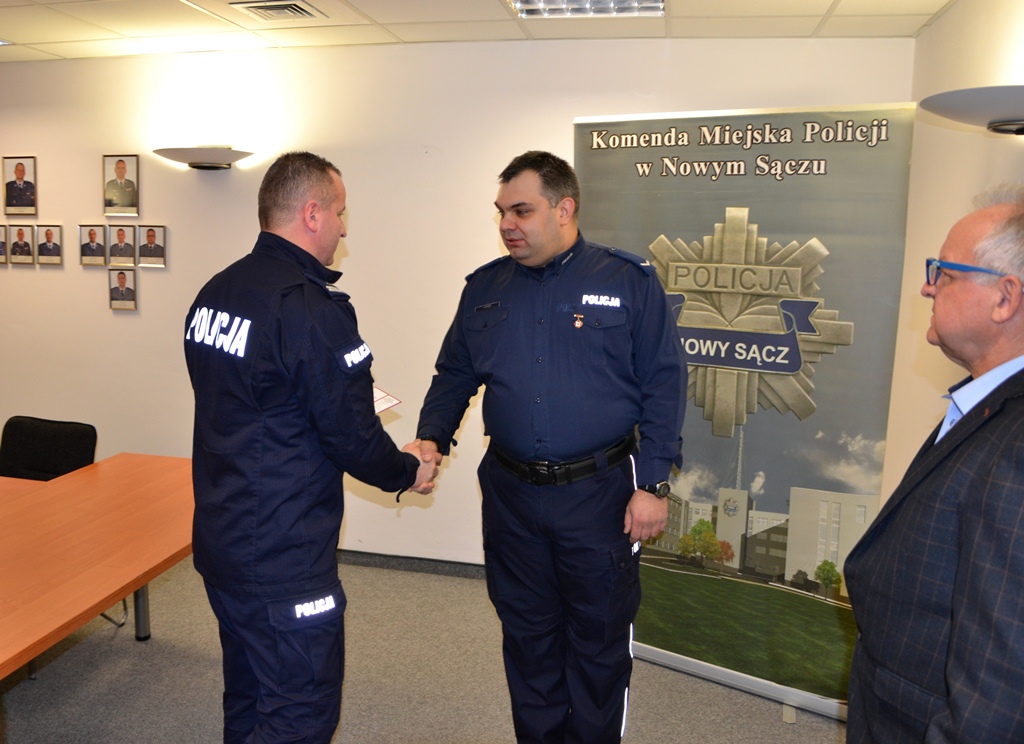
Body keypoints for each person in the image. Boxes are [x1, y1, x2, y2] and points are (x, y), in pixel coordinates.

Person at [415, 150, 686, 743]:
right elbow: (454, 374)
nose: (507, 224)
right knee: (528, 637)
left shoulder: (627, 281)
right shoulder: (484, 288)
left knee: (597, 642)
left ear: (564, 209)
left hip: (600, 497)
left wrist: (653, 484)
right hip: (512, 497)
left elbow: (664, 384)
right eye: (500, 212)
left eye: (521, 210)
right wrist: (430, 437)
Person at [183, 150, 439, 744]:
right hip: (284, 557)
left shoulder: (216, 292)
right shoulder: (310, 310)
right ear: (312, 213)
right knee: (301, 713)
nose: (344, 229)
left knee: (249, 694)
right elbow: (352, 437)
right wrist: (408, 470)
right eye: (341, 213)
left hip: (223, 539)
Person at [845, 185, 1024, 742]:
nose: (927, 286)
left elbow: (997, 695)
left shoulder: (1017, 445)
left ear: (1005, 298)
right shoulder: (988, 405)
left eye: (944, 272)